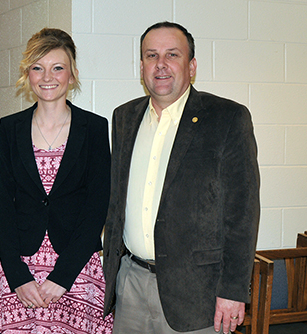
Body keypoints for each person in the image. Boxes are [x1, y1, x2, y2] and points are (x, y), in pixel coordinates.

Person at [103, 22, 260, 334]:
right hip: (130, 285)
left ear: (192, 66)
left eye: (172, 55)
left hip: (198, 295)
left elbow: (243, 212)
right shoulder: (124, 118)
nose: (160, 64)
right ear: (141, 66)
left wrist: (233, 290)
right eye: (151, 55)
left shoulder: (227, 117)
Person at [0, 28, 114, 334]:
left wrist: (62, 276)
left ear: (73, 75)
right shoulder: (9, 128)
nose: (47, 77)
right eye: (37, 68)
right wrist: (17, 277)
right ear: (27, 74)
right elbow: (2, 205)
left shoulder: (95, 128)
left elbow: (97, 206)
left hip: (76, 270)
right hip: (21, 270)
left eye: (58, 67)